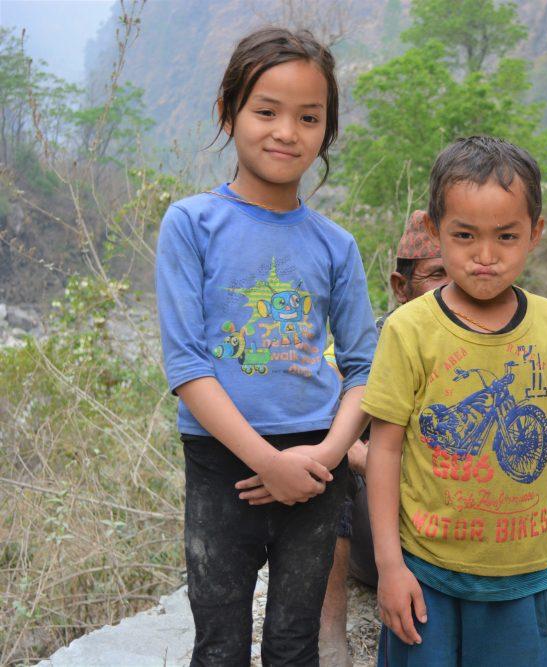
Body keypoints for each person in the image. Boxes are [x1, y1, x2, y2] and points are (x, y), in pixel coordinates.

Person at [155, 27, 376, 665]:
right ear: (229, 113)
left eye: (308, 117)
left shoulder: (335, 246)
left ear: (326, 130)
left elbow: (363, 368)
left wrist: (326, 456)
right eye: (266, 111)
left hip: (316, 465)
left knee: (292, 641)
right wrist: (265, 462)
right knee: (220, 642)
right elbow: (188, 364)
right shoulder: (192, 224)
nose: (286, 131)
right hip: (222, 459)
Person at [363, 136, 547, 666]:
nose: (486, 256)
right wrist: (389, 566)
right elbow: (384, 451)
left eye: (507, 236)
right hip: (426, 572)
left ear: (535, 234)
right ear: (434, 231)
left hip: (526, 577)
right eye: (465, 236)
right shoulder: (409, 329)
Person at [318, 210, 449, 666]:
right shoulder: (367, 346)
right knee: (326, 466)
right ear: (400, 286)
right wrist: (364, 458)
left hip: (455, 528)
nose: (451, 287)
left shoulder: (481, 345)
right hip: (379, 536)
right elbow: (329, 422)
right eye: (437, 275)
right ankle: (329, 633)